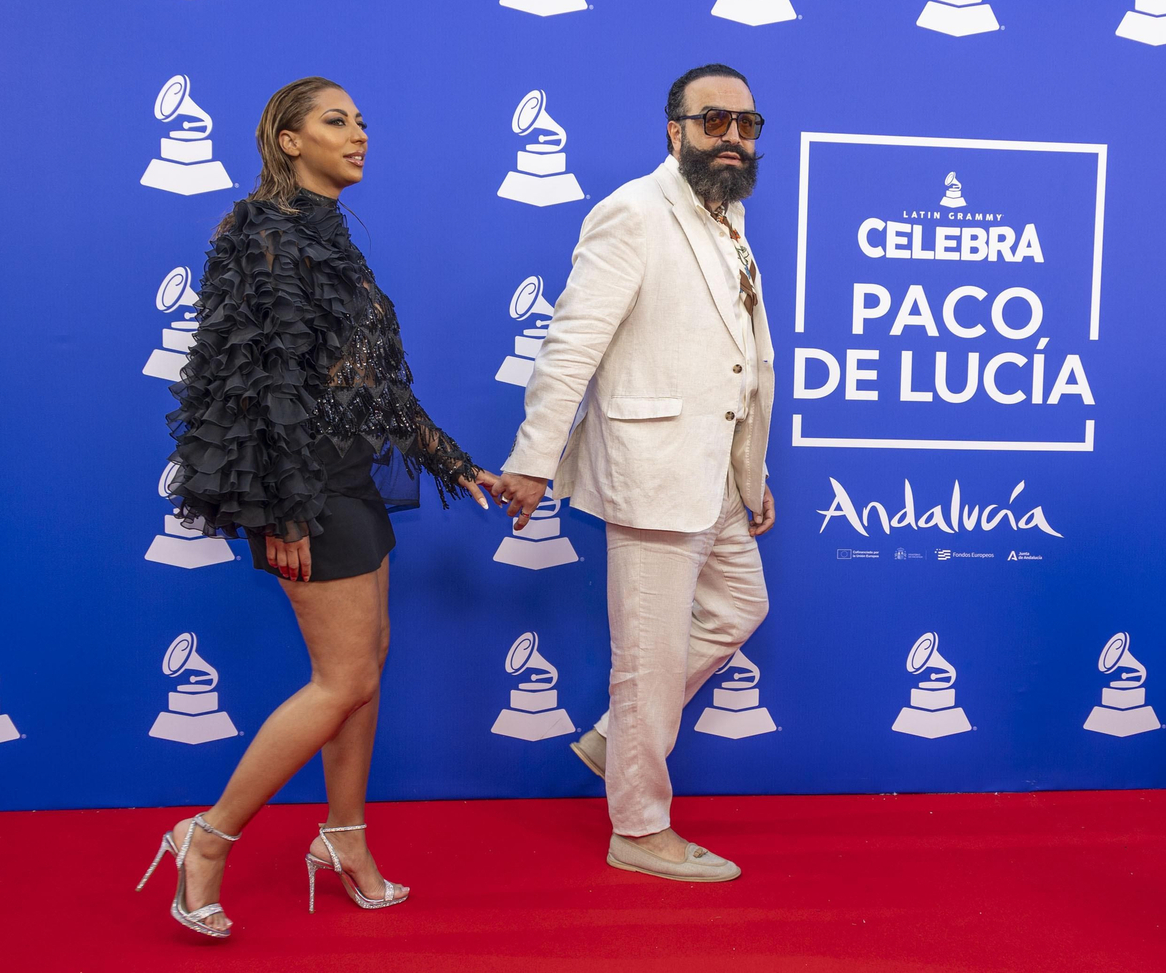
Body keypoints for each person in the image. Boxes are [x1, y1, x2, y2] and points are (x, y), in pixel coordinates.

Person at [136, 76, 498, 938]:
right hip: (304, 492)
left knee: (364, 675)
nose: (359, 134)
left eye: (363, 122)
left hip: (350, 482)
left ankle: (343, 838)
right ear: (288, 140)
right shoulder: (259, 232)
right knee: (344, 679)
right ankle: (207, 838)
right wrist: (283, 511)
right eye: (337, 121)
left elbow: (371, 387)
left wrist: (458, 465)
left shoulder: (334, 235)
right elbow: (244, 385)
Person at [494, 64, 776, 882]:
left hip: (716, 477)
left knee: (741, 606)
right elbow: (571, 345)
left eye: (746, 124)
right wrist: (532, 461)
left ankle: (620, 738)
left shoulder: (728, 215)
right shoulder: (633, 212)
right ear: (674, 129)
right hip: (653, 473)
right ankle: (640, 829)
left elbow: (734, 362)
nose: (732, 136)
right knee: (647, 660)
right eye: (713, 120)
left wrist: (749, 469)